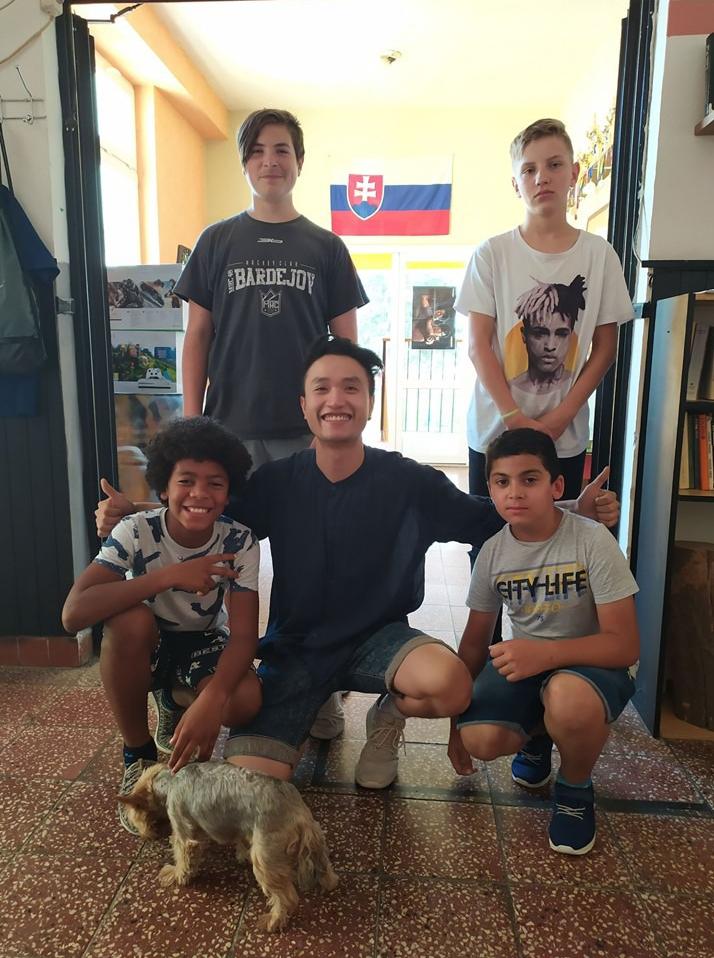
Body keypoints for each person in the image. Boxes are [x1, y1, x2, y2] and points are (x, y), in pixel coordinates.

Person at [96, 336, 621, 792]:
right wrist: (135, 512)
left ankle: (387, 717)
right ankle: (319, 700)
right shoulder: (277, 482)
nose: (336, 399)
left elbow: (489, 517)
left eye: (351, 387)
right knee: (252, 781)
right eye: (321, 388)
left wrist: (572, 509)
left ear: (370, 402)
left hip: (381, 639)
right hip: (296, 647)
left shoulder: (409, 481)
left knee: (451, 684)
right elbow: (203, 512)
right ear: (304, 406)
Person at [175, 107, 368, 739]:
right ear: (245, 163)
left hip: (303, 434)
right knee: (227, 557)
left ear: (299, 162)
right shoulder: (216, 242)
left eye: (282, 149)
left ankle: (318, 685)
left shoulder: (326, 247)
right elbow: (196, 335)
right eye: (258, 150)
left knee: (310, 562)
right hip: (228, 430)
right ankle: (216, 677)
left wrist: (339, 424)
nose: (270, 161)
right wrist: (192, 422)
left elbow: (347, 346)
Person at [63, 416, 262, 833]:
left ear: (229, 493)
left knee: (243, 701)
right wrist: (170, 575)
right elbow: (73, 613)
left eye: (215, 483)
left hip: (204, 640)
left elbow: (244, 635)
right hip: (146, 642)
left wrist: (213, 699)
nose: (200, 493)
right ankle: (137, 753)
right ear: (163, 488)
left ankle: (173, 700)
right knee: (129, 620)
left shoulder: (239, 541)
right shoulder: (134, 530)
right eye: (186, 480)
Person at [447, 428, 639, 856]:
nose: (514, 492)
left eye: (529, 479)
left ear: (556, 486)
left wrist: (545, 655)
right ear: (490, 489)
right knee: (481, 738)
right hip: (530, 666)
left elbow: (625, 646)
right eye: (502, 481)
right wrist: (454, 726)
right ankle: (539, 737)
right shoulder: (492, 553)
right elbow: (474, 644)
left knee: (568, 698)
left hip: (594, 666)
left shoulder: (592, 540)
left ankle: (574, 788)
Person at [456, 118, 634, 505]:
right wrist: (514, 418)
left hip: (564, 436)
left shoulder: (599, 256)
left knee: (558, 533)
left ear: (574, 173)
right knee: (489, 533)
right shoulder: (492, 254)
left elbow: (605, 347)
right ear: (515, 183)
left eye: (554, 165)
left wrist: (560, 417)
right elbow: (478, 345)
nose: (542, 178)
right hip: (494, 431)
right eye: (529, 169)